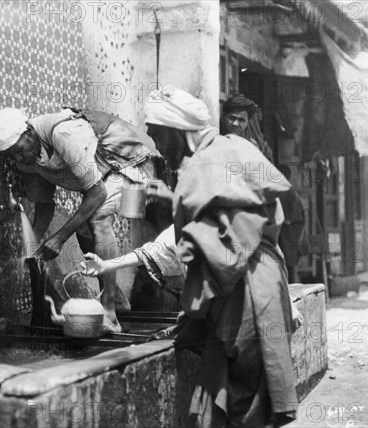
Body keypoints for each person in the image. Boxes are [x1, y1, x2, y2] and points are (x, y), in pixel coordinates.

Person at [144, 86, 299, 427]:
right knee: (233, 393)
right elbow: (239, 214)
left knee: (243, 402)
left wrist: (194, 307)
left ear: (179, 130)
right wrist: (176, 200)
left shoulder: (204, 163)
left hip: (246, 288)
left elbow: (225, 249)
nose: (155, 145)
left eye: (156, 133)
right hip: (266, 279)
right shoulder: (236, 147)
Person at [0, 107, 164, 333]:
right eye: (13, 155)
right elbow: (44, 204)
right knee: (86, 229)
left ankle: (109, 313)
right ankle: (117, 299)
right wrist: (32, 248)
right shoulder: (27, 160)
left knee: (97, 220)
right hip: (111, 177)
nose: (20, 158)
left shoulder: (63, 133)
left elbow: (97, 193)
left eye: (20, 150)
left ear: (29, 132)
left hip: (141, 168)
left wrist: (59, 238)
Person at [277, 164, 308, 284]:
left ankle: (291, 292)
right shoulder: (283, 190)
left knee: (290, 264)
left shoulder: (288, 191)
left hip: (290, 231)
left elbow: (290, 218)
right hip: (286, 230)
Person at [221, 94, 274, 161]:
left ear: (247, 122)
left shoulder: (252, 146)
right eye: (232, 118)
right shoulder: (213, 140)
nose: (235, 124)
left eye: (241, 120)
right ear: (223, 117)